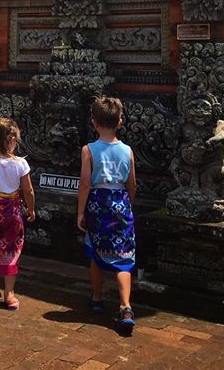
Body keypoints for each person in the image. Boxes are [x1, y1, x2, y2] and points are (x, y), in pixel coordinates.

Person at [77, 96, 137, 335]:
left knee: (96, 251)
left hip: (98, 204)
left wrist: (80, 212)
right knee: (123, 257)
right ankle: (126, 307)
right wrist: (128, 205)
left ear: (94, 122)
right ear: (120, 121)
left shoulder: (89, 150)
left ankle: (97, 298)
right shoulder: (127, 151)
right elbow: (132, 184)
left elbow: (84, 184)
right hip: (120, 202)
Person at [0, 117, 36, 311]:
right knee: (11, 251)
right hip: (13, 212)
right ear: (14, 139)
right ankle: (9, 294)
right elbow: (28, 191)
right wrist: (31, 208)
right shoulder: (20, 164)